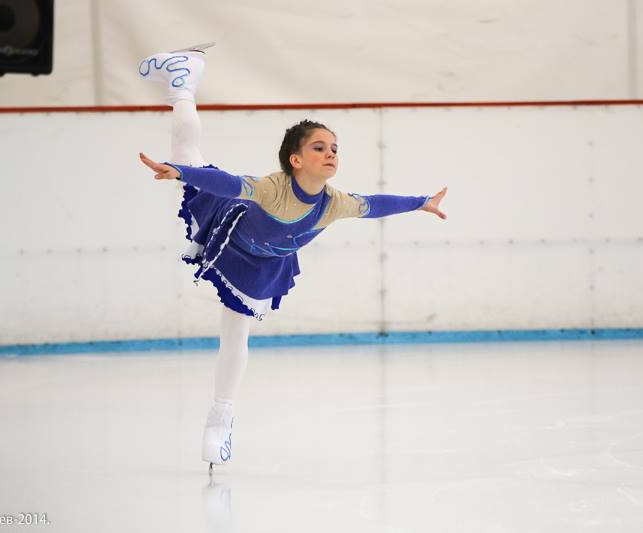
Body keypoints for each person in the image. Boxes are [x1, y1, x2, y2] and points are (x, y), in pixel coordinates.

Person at [137, 44, 448, 471]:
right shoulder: (273, 187)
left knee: (236, 332)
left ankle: (220, 418)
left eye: (335, 147)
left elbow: (375, 204)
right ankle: (183, 83)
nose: (331, 153)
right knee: (186, 155)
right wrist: (183, 173)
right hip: (230, 228)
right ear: (296, 159)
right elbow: (229, 184)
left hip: (263, 263)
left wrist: (419, 202)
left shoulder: (334, 203)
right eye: (320, 147)